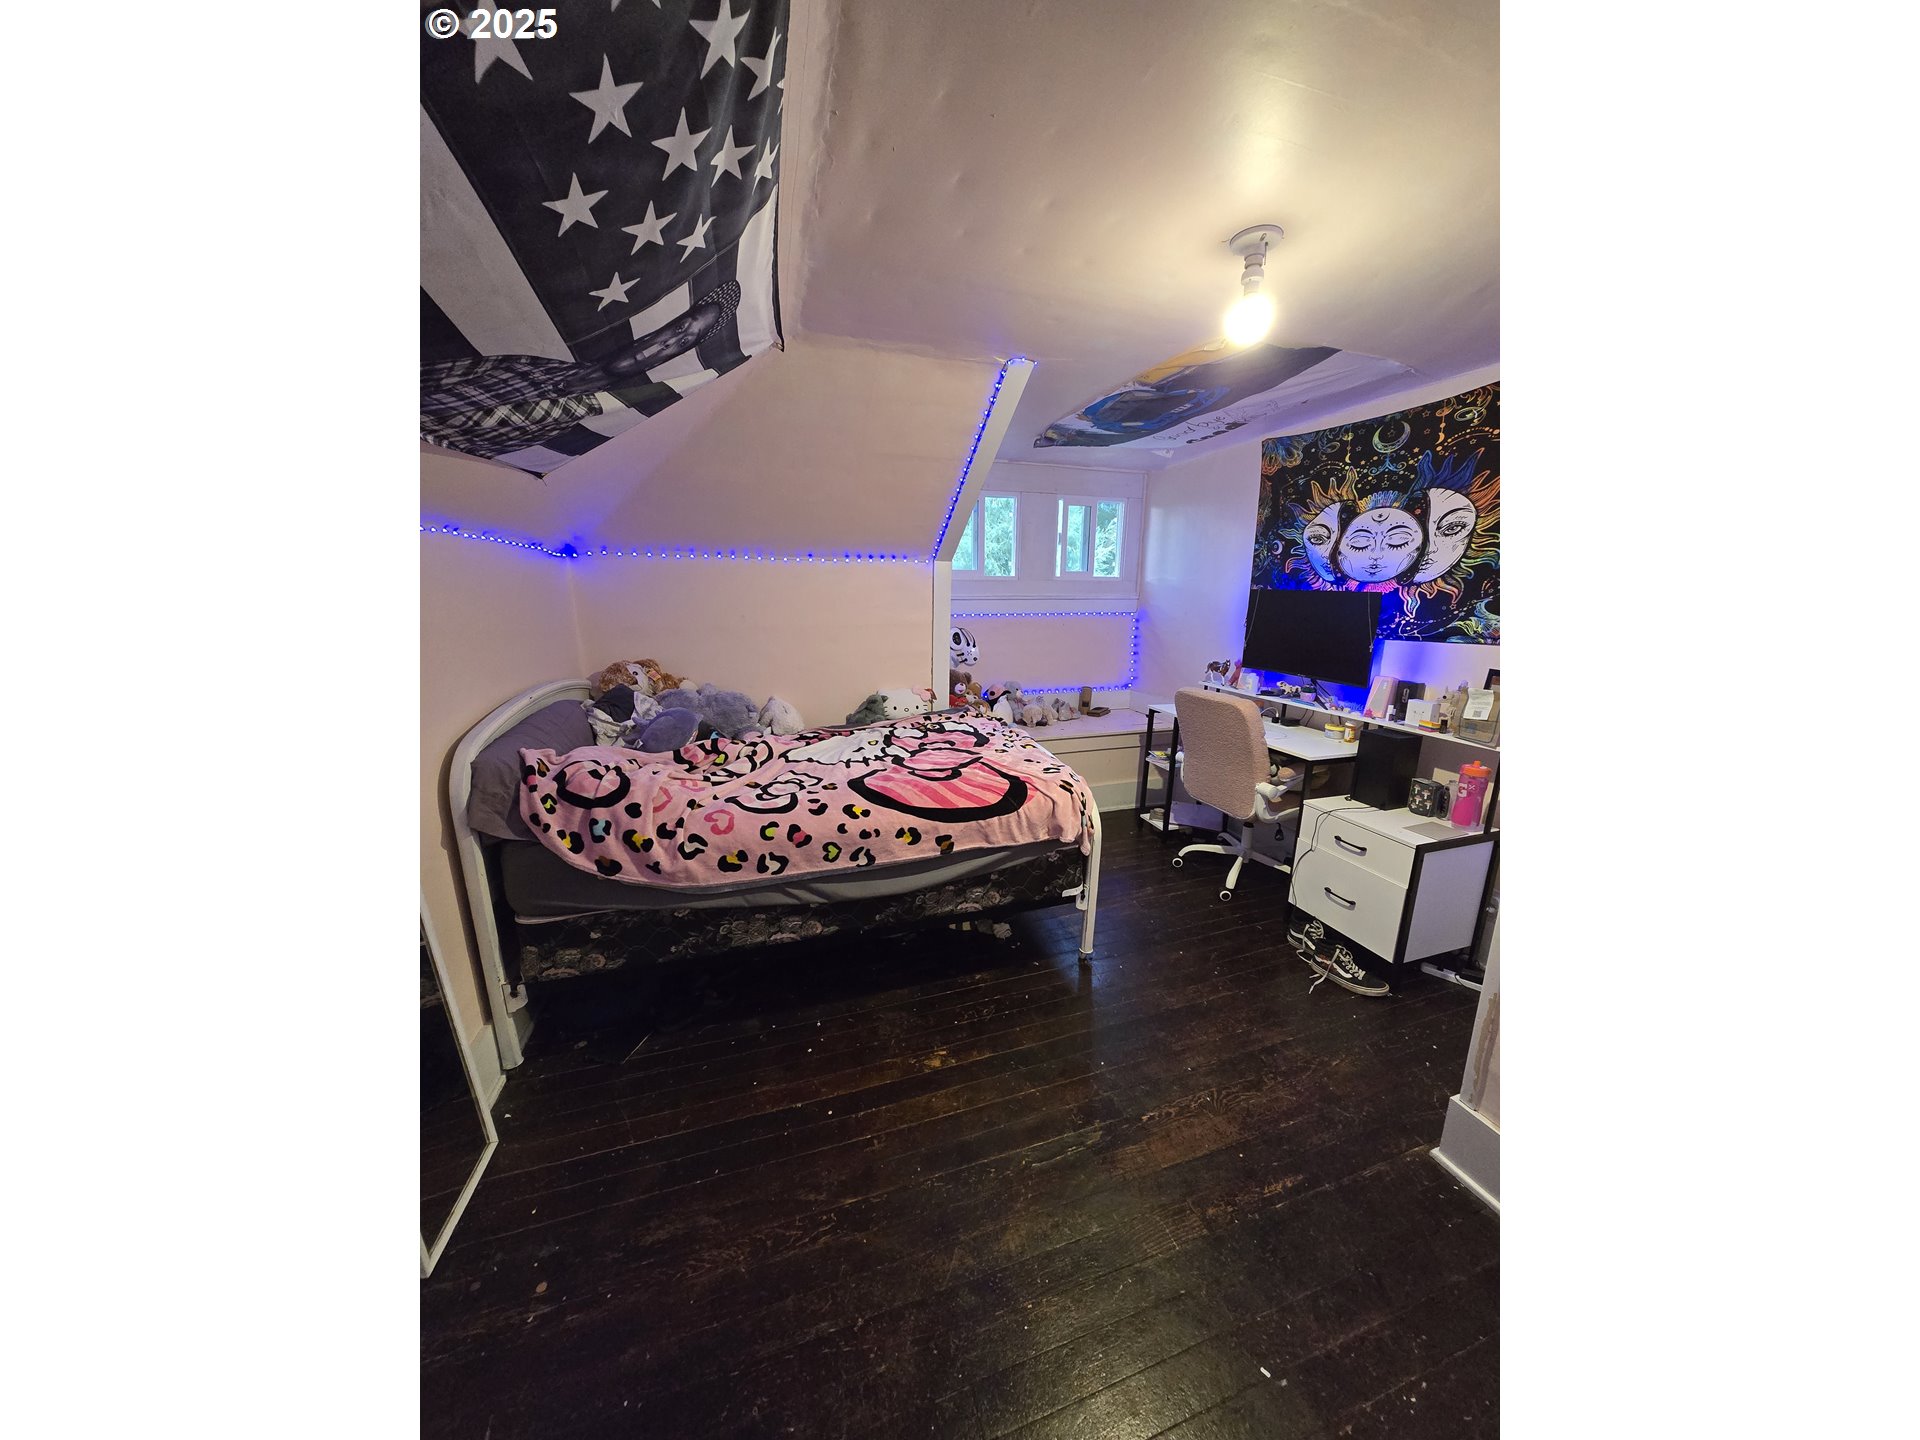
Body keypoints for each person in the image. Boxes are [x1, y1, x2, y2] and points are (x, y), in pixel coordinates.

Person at [420, 281, 738, 459]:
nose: (665, 343)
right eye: (678, 327)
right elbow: (440, 374)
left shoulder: (572, 416)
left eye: (685, 341)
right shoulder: (538, 365)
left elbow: (465, 448)